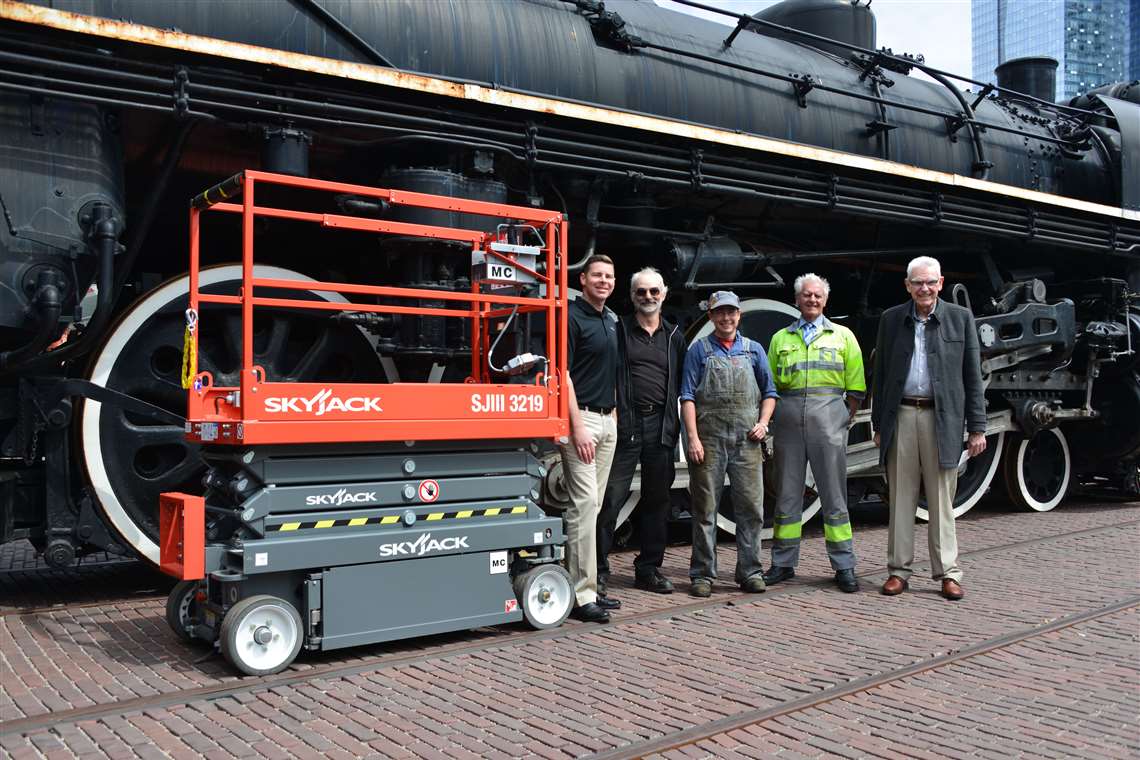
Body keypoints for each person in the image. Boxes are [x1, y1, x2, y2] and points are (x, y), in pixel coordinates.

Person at [871, 256, 986, 601]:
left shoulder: (960, 318)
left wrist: (977, 428)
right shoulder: (891, 319)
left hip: (943, 418)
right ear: (907, 285)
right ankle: (898, 570)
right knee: (901, 498)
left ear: (941, 282)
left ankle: (948, 573)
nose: (924, 288)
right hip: (903, 414)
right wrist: (879, 423)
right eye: (917, 282)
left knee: (941, 501)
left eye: (930, 282)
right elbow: (882, 375)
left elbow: (972, 376)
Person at [764, 274, 865, 593]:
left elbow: (856, 385)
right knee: (787, 494)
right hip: (789, 414)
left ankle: (844, 565)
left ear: (825, 300)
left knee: (834, 494)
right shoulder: (781, 338)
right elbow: (770, 383)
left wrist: (840, 416)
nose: (811, 300)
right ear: (797, 299)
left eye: (817, 295)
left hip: (828, 413)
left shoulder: (843, 336)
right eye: (806, 295)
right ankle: (782, 563)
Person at [681, 291, 778, 597]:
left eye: (731, 312)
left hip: (747, 440)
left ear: (739, 316)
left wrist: (763, 423)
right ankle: (703, 574)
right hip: (708, 441)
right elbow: (688, 396)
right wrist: (693, 439)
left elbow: (770, 392)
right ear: (710, 317)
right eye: (719, 313)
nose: (726, 318)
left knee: (750, 508)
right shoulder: (699, 351)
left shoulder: (754, 351)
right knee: (705, 509)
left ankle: (750, 571)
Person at [596, 268, 687, 599]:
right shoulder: (618, 330)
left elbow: (681, 384)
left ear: (664, 294)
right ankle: (598, 570)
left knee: (657, 502)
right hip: (626, 426)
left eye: (653, 292)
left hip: (661, 428)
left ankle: (649, 568)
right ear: (632, 296)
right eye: (641, 292)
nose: (647, 297)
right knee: (610, 499)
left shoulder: (675, 335)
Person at [560, 254, 620, 623]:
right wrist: (576, 426)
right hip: (580, 420)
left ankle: (586, 586)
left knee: (591, 508)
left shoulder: (610, 320)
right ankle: (582, 597)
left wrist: (613, 415)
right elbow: (562, 373)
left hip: (606, 419)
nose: (604, 281)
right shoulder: (571, 316)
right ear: (583, 279)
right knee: (583, 506)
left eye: (609, 276)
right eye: (597, 275)